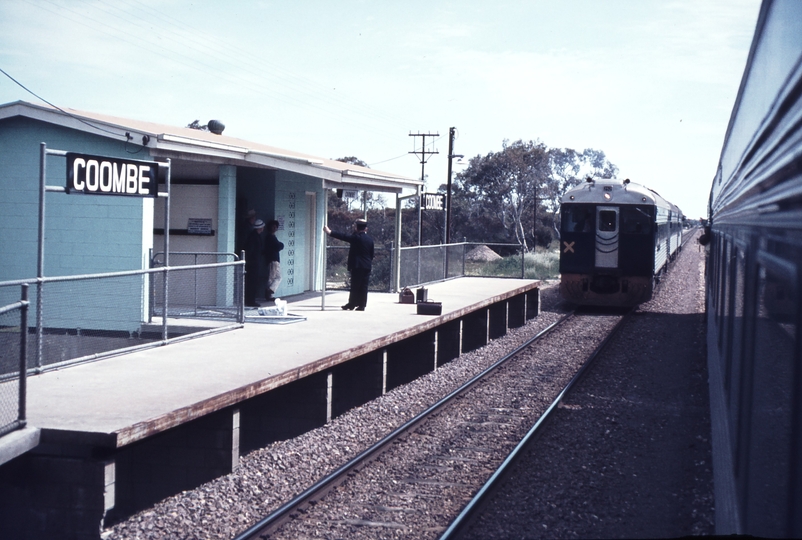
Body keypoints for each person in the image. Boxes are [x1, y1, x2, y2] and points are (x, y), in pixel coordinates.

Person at [323, 219, 374, 311]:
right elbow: (371, 254)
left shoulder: (356, 238)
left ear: (357, 228)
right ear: (366, 229)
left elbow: (343, 236)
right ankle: (362, 305)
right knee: (364, 286)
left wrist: (330, 232)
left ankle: (352, 304)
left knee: (355, 286)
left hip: (357, 266)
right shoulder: (370, 239)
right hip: (367, 265)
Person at [244, 219, 265, 307]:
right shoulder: (254, 237)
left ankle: (250, 300)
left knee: (253, 282)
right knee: (252, 282)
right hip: (253, 263)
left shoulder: (255, 236)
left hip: (254, 262)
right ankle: (250, 301)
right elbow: (251, 251)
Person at [262, 219, 284, 302]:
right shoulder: (270, 237)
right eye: (273, 226)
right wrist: (281, 244)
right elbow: (278, 246)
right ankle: (269, 292)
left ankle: (270, 292)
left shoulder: (272, 237)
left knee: (276, 277)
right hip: (272, 260)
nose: (274, 228)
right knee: (273, 277)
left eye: (276, 227)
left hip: (274, 260)